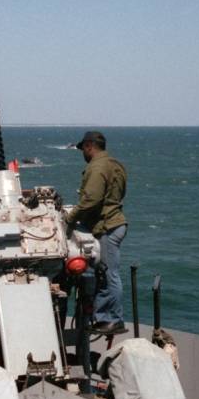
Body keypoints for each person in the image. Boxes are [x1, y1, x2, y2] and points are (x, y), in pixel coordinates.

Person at [65, 131, 128, 336]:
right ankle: (101, 317)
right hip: (114, 222)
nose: (82, 152)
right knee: (103, 273)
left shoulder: (97, 167)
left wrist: (70, 218)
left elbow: (90, 200)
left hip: (107, 227)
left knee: (109, 275)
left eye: (83, 148)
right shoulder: (115, 165)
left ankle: (113, 319)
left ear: (89, 146)